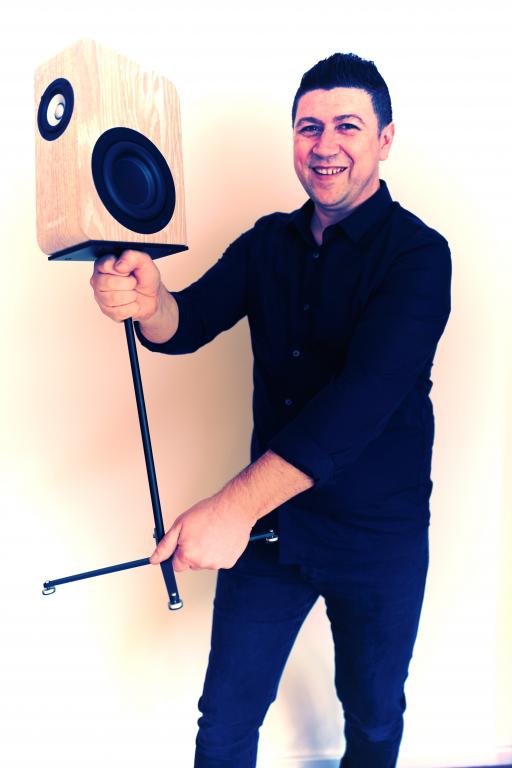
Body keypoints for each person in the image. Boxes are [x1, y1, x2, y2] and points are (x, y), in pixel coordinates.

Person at [90, 53, 452, 768]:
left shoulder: (419, 256)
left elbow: (356, 408)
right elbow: (186, 321)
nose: (325, 145)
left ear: (384, 139)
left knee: (374, 715)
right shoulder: (267, 243)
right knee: (224, 721)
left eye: (347, 126)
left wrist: (230, 509)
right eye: (308, 127)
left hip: (376, 539)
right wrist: (148, 300)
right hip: (272, 533)